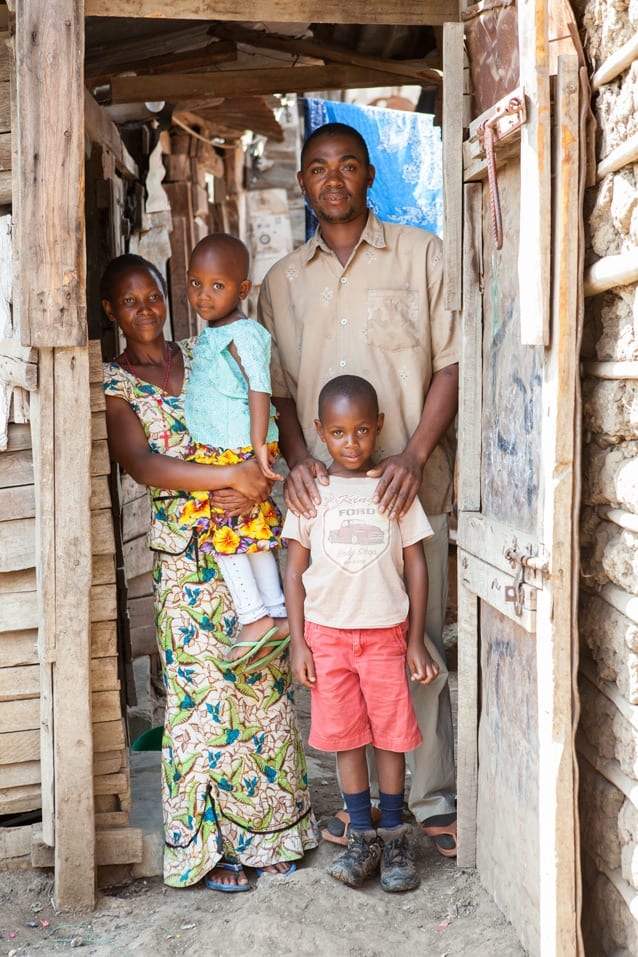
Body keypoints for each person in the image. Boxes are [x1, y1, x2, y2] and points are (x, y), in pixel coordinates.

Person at [258, 121, 459, 857]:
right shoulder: (281, 281)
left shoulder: (419, 255)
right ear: (303, 183)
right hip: (324, 506)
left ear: (371, 175)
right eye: (318, 168)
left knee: (417, 646)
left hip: (406, 494)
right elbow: (277, 390)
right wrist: (300, 454)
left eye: (348, 165)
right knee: (340, 649)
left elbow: (452, 362)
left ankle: (428, 801)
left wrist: (414, 451)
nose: (333, 179)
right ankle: (356, 807)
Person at [101, 253, 319, 892]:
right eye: (130, 301)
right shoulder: (116, 384)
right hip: (186, 559)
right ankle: (211, 848)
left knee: (262, 687)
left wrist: (253, 480)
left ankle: (275, 832)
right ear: (111, 311)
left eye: (154, 297)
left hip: (245, 531)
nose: (146, 309)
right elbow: (144, 465)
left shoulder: (207, 350)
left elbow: (260, 412)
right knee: (202, 701)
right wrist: (230, 476)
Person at [284, 375, 440, 892]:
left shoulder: (392, 488)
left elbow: (416, 565)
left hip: (385, 636)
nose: (351, 444)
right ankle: (361, 835)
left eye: (362, 431)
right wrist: (299, 642)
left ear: (379, 427)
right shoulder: (311, 493)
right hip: (328, 640)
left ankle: (394, 833)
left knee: (391, 735)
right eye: (338, 433)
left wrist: (415, 639)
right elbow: (295, 570)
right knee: (346, 736)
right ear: (319, 432)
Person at [181, 233, 288, 668]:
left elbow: (260, 389)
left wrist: (259, 450)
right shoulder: (214, 332)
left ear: (243, 290)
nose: (203, 296)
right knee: (251, 534)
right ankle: (277, 612)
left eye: (217, 286)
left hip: (238, 449)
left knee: (226, 535)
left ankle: (253, 616)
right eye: (195, 283)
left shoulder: (244, 333)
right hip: (226, 447)